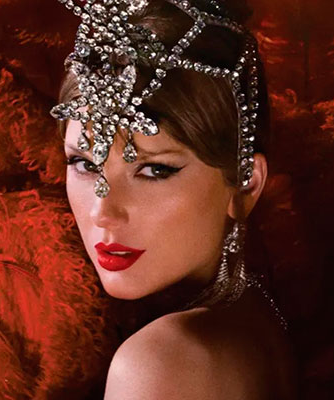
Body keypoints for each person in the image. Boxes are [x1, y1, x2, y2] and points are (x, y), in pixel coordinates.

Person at [52, 0, 298, 398]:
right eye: (84, 163)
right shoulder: (257, 319)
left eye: (154, 170)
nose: (102, 212)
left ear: (245, 184)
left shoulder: (159, 364)